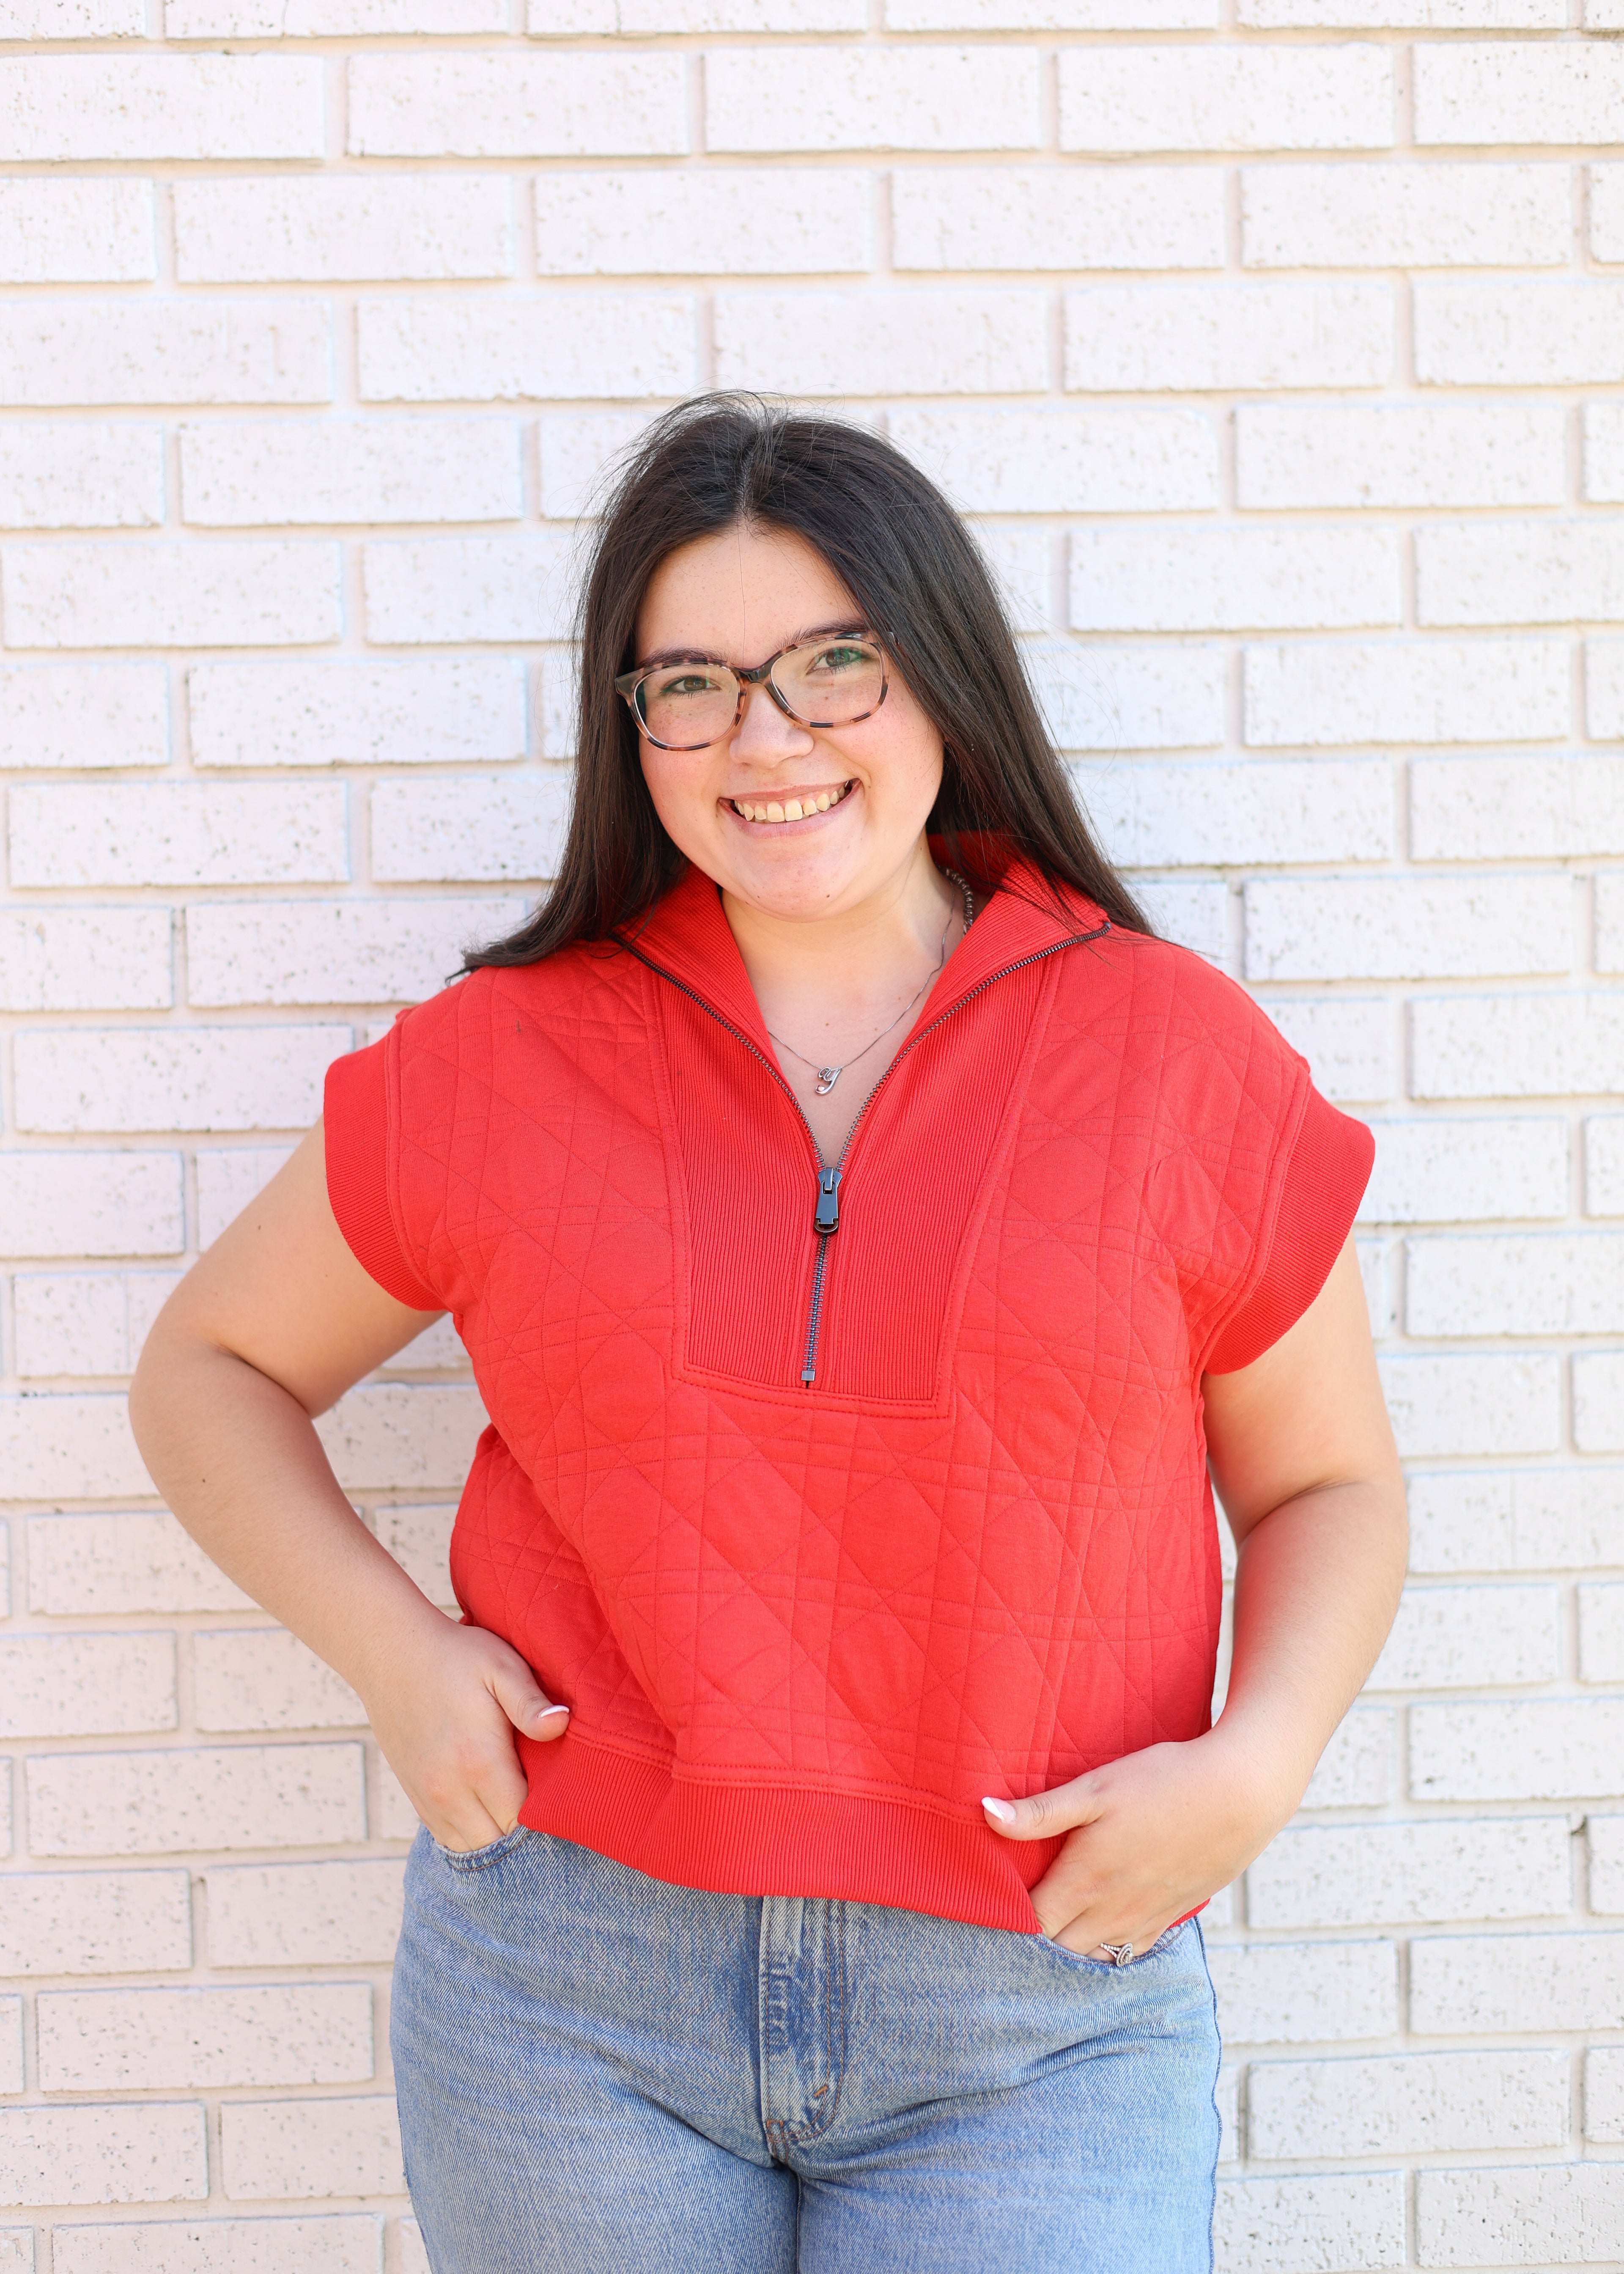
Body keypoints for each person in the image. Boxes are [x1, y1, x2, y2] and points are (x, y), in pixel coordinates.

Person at [131, 394, 1407, 2273]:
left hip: (1034, 2006)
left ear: (937, 675)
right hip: (569, 1996)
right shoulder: (500, 1061)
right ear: (629, 724)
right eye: (694, 686)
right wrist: (399, 1660)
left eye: (834, 664)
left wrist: (1261, 1760)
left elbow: (1329, 1484)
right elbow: (207, 1374)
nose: (769, 738)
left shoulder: (1171, 1053)